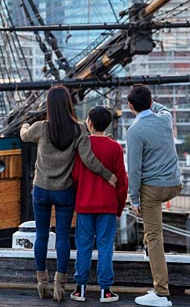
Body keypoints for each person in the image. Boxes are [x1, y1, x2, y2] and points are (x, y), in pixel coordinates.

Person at [21, 86, 118, 302]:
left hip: (41, 190)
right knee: (63, 238)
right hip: (64, 192)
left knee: (42, 236)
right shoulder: (79, 130)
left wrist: (25, 125)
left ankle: (41, 282)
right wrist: (108, 175)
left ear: (49, 105)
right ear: (68, 104)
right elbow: (89, 159)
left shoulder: (41, 127)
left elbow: (25, 136)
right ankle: (59, 285)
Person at [126, 85, 182, 307]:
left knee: (155, 236)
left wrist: (134, 199)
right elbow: (162, 108)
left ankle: (161, 293)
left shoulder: (135, 131)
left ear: (130, 107)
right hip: (174, 185)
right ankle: (148, 245)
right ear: (151, 102)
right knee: (152, 232)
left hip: (153, 189)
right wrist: (150, 101)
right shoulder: (165, 118)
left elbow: (135, 169)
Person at [70, 106, 127, 303]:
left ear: (90, 123)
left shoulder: (82, 146)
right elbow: (122, 180)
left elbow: (75, 176)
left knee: (83, 246)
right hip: (107, 205)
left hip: (85, 204)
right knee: (105, 247)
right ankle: (105, 290)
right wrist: (119, 206)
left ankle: (80, 289)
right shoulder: (115, 148)